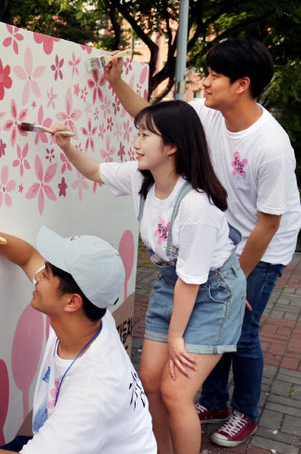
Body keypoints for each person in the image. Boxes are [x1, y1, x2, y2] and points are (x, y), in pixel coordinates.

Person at [104, 37, 301, 447]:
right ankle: (211, 400)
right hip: (215, 234)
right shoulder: (207, 113)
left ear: (242, 84)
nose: (204, 82)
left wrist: (237, 280)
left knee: (242, 328)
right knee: (209, 335)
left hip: (261, 245)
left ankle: (244, 410)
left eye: (214, 75)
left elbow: (268, 223)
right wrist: (116, 82)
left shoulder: (271, 145)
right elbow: (155, 119)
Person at [52, 100, 246, 454]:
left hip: (211, 293)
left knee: (176, 392)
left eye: (145, 135)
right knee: (150, 384)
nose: (136, 143)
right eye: (138, 133)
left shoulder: (195, 206)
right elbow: (95, 170)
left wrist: (176, 338)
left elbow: (192, 281)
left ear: (171, 146)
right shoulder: (141, 177)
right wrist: (67, 147)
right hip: (172, 286)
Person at [0, 214, 157, 454]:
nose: (37, 275)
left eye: (46, 274)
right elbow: (28, 257)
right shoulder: (92, 314)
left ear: (72, 302)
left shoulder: (90, 397)